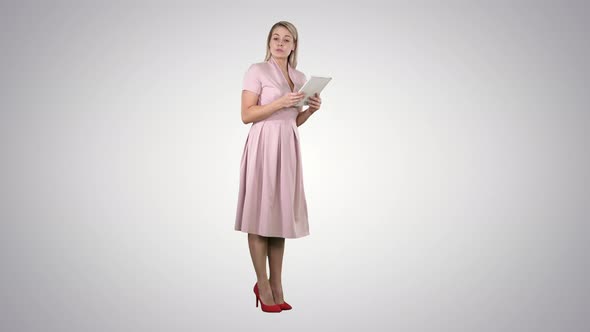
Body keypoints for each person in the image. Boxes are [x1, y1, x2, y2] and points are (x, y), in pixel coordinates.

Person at [234, 21, 322, 313]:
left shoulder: (299, 77)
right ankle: (263, 283)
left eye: (287, 39)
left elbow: (291, 120)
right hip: (263, 145)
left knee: (279, 217)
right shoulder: (256, 70)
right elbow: (247, 115)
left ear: (294, 45)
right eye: (276, 38)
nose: (280, 43)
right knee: (260, 214)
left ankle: (277, 283)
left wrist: (308, 110)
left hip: (287, 146)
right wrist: (281, 102)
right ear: (269, 41)